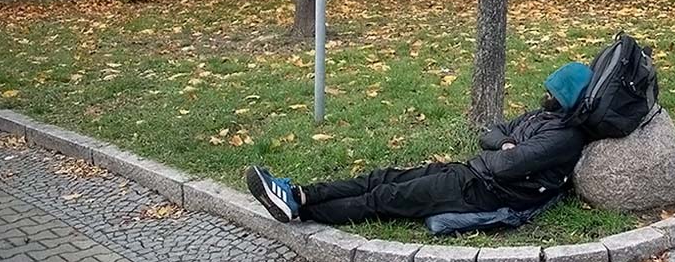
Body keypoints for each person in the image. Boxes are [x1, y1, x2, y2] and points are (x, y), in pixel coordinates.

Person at [245, 62, 593, 225]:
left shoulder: (564, 137)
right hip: (469, 171)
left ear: (567, 98)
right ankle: (299, 193)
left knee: (384, 199)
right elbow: (492, 132)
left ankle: (299, 213)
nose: (544, 95)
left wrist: (506, 147)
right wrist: (507, 143)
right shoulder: (545, 118)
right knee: (381, 177)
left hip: (480, 190)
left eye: (552, 93)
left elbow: (505, 164)